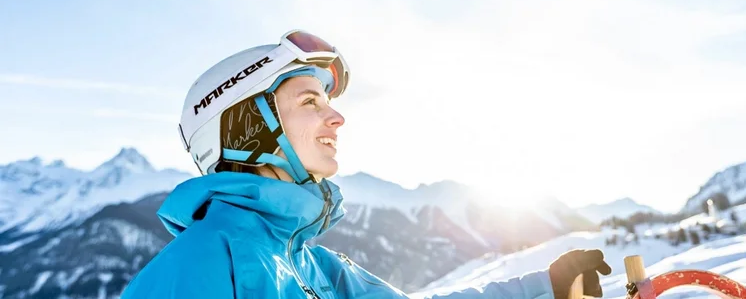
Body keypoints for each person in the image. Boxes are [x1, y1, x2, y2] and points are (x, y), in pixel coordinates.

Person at [120, 29, 612, 299]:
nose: (336, 118)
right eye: (310, 101)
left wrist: (545, 287)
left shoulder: (312, 264)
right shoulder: (198, 269)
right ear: (251, 126)